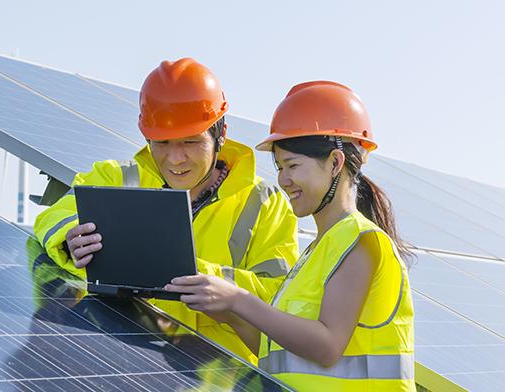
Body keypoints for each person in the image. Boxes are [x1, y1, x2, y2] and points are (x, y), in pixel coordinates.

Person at [32, 58, 299, 363]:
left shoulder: (265, 203)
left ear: (221, 134)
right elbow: (53, 216)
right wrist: (69, 238)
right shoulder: (117, 178)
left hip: (219, 375)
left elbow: (281, 299)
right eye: (162, 143)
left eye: (190, 142)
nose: (175, 159)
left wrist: (201, 277)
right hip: (122, 363)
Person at [165, 81, 415, 390]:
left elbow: (326, 346)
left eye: (292, 165)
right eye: (280, 167)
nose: (284, 180)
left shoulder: (360, 241)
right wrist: (227, 312)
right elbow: (279, 354)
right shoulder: (315, 254)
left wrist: (238, 299)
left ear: (335, 163)